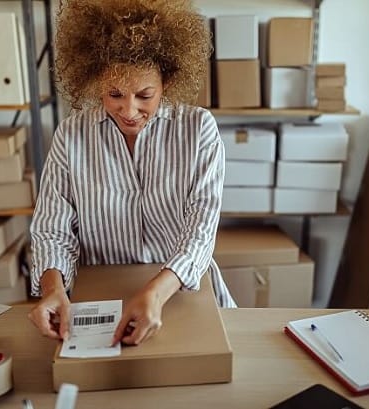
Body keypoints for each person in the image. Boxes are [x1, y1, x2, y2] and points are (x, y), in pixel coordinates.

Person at [28, 0, 236, 347]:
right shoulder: (71, 135)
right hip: (101, 298)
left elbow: (201, 229)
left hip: (179, 291)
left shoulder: (198, 129)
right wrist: (52, 288)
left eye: (144, 95)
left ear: (167, 80)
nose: (128, 110)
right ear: (95, 79)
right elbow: (52, 228)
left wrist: (156, 292)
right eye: (114, 94)